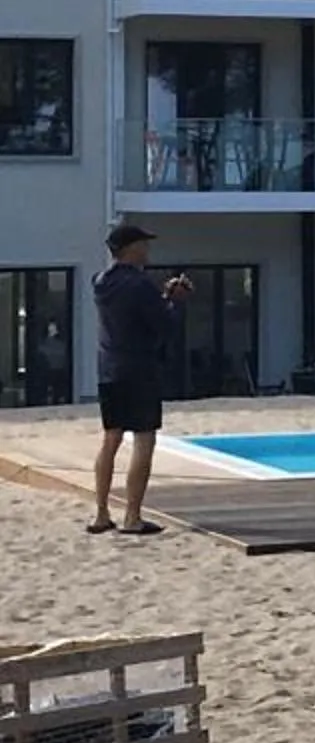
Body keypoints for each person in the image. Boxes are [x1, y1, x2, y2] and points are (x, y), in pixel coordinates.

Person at [90, 222, 189, 536]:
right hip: (139, 369)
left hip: (109, 369)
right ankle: (132, 516)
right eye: (143, 244)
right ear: (130, 248)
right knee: (144, 440)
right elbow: (165, 325)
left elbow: (131, 313)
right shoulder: (139, 284)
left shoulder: (100, 281)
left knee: (111, 439)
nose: (147, 249)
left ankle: (101, 513)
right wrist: (175, 300)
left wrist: (162, 297)